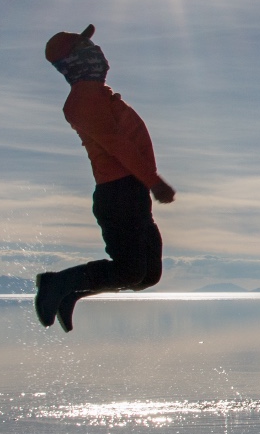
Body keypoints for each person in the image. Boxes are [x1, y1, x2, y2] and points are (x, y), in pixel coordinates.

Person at [34, 26, 175, 332]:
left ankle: (71, 293)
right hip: (118, 192)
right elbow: (116, 143)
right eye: (89, 48)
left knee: (146, 275)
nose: (98, 53)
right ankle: (56, 284)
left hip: (132, 192)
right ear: (76, 60)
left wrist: (146, 185)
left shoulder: (99, 95)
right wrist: (154, 181)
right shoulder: (82, 101)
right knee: (128, 272)